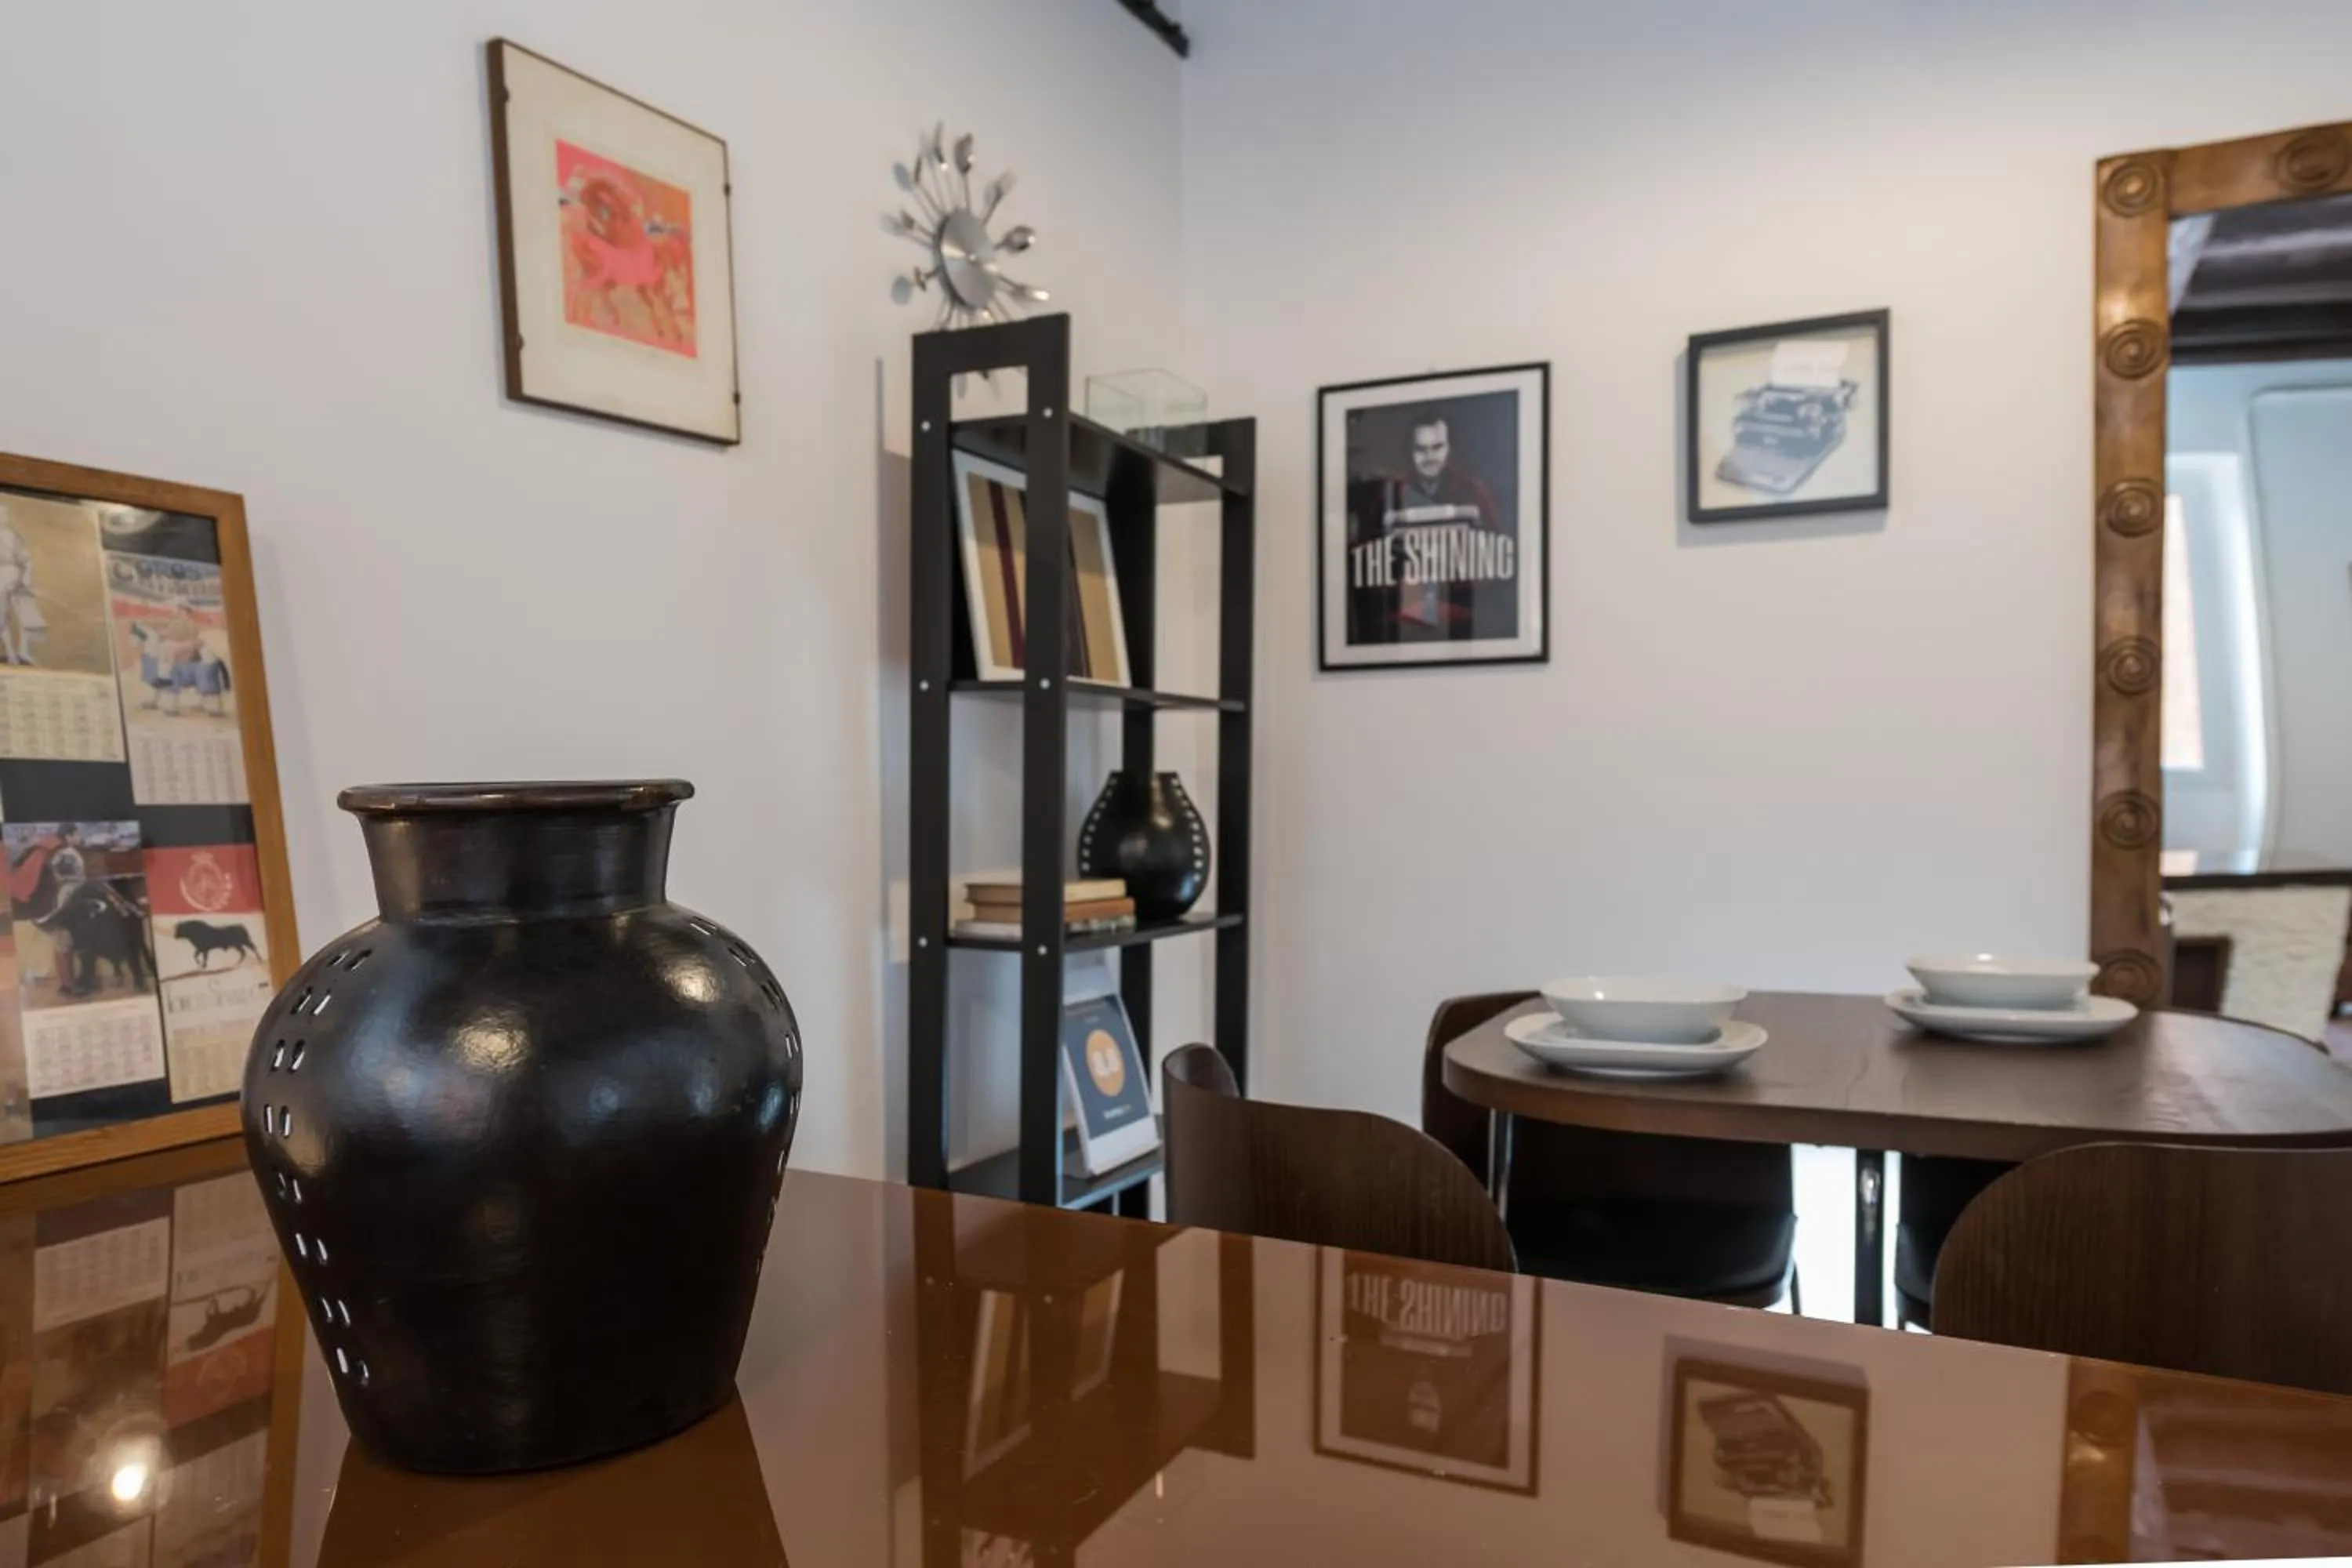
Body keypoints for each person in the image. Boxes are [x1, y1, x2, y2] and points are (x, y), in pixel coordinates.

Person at [1346, 412, 1515, 645]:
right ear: (1410, 451)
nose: (1429, 456)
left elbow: (1500, 558)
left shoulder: (1474, 492)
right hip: (1402, 621)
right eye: (1421, 449)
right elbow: (1365, 560)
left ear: (1449, 448)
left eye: (1437, 447)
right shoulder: (1388, 495)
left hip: (1465, 616)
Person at [0, 505, 46, 667]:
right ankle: (10, 653)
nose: (2, 517)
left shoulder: (13, 537)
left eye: (4, 514)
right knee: (1, 617)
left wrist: (26, 577)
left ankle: (24, 651)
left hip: (16, 577)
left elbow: (27, 560)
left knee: (25, 615)